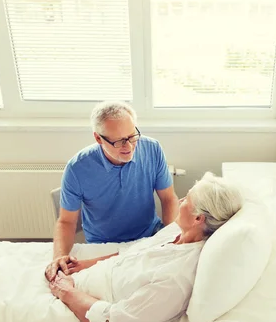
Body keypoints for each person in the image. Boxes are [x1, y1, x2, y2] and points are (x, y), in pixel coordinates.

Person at [48, 172, 243, 322]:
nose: (181, 200)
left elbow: (113, 321)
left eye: (186, 200)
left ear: (198, 219)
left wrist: (67, 292)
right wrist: (85, 264)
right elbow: (133, 252)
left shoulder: (176, 278)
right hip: (84, 280)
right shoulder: (176, 232)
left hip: (83, 310)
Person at [45, 101, 179, 281]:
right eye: (118, 141)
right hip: (104, 244)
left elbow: (169, 199)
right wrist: (59, 256)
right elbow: (67, 221)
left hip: (149, 235)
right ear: (98, 138)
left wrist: (169, 235)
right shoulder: (77, 168)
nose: (129, 147)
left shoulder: (152, 149)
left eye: (132, 136)